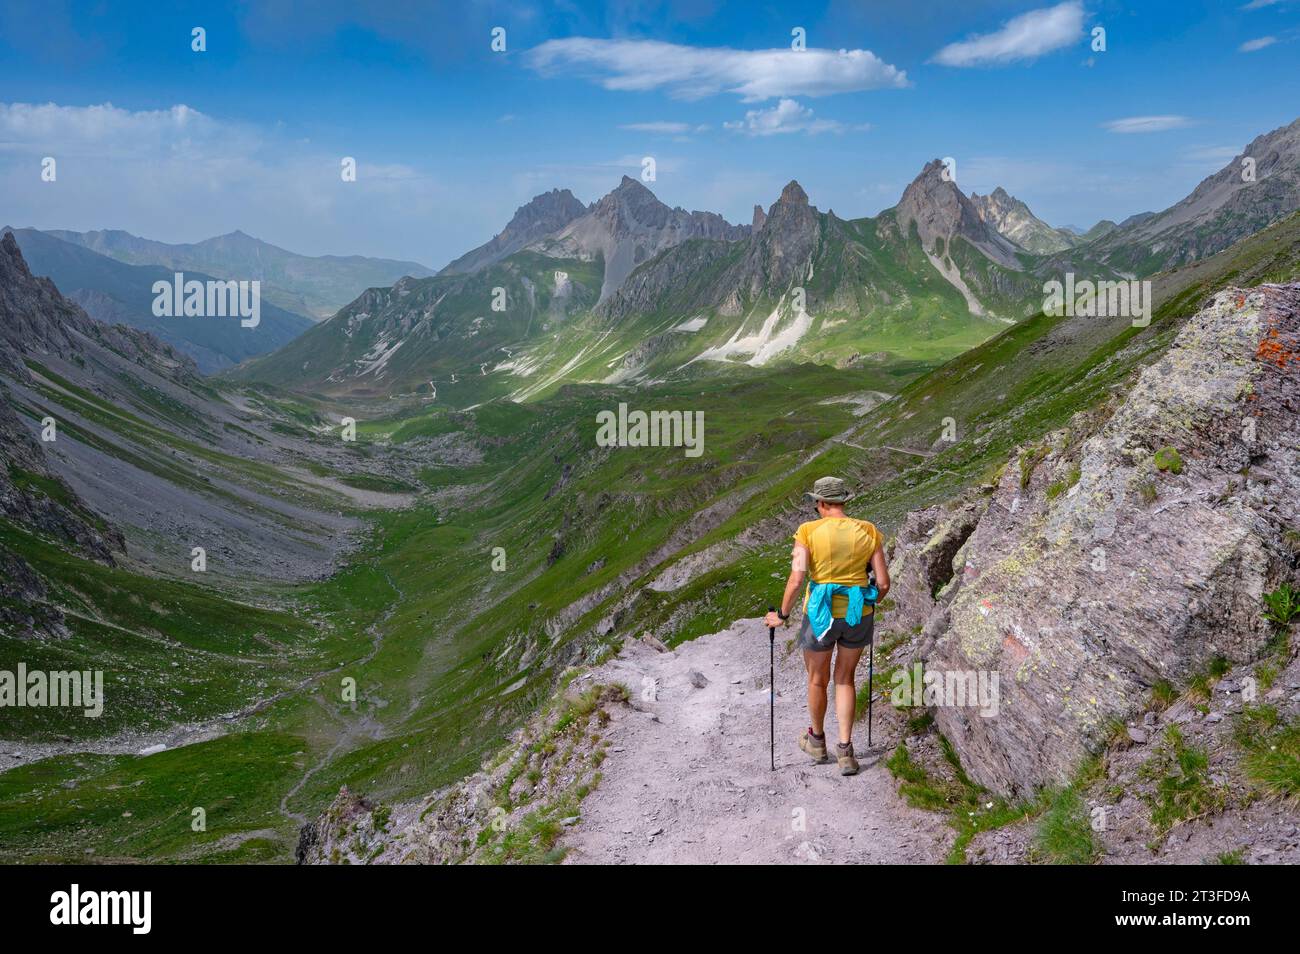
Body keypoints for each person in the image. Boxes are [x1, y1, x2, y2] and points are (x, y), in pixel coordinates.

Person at [765, 476, 889, 775]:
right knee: (845, 678)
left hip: (820, 615)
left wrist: (781, 616)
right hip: (859, 613)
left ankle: (817, 741)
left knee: (817, 680)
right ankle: (846, 751)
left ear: (820, 503)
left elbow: (797, 579)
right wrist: (868, 599)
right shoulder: (868, 530)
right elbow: (883, 583)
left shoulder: (807, 532)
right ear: (843, 501)